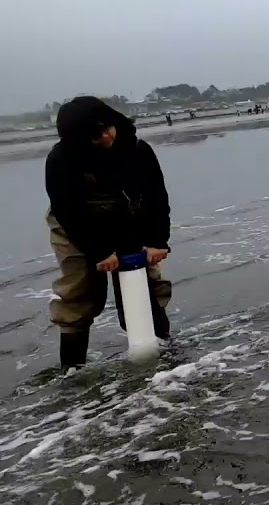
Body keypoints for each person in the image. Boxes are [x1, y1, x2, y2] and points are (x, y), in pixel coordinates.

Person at [45, 97, 173, 370]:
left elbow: (156, 196)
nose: (105, 137)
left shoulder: (138, 150)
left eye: (107, 128)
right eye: (94, 136)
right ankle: (72, 371)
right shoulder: (61, 160)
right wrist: (99, 251)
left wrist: (157, 241)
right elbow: (68, 212)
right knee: (79, 291)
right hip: (77, 226)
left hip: (128, 215)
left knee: (146, 283)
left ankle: (164, 351)